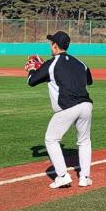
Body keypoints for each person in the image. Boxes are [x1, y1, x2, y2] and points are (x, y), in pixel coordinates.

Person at [26, 31, 94, 189]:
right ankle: (84, 177)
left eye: (51, 43)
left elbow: (32, 81)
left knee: (51, 139)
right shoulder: (81, 63)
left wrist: (32, 68)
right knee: (84, 141)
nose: (50, 45)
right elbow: (89, 81)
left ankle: (63, 176)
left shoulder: (52, 63)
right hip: (86, 105)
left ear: (55, 46)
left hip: (67, 107)